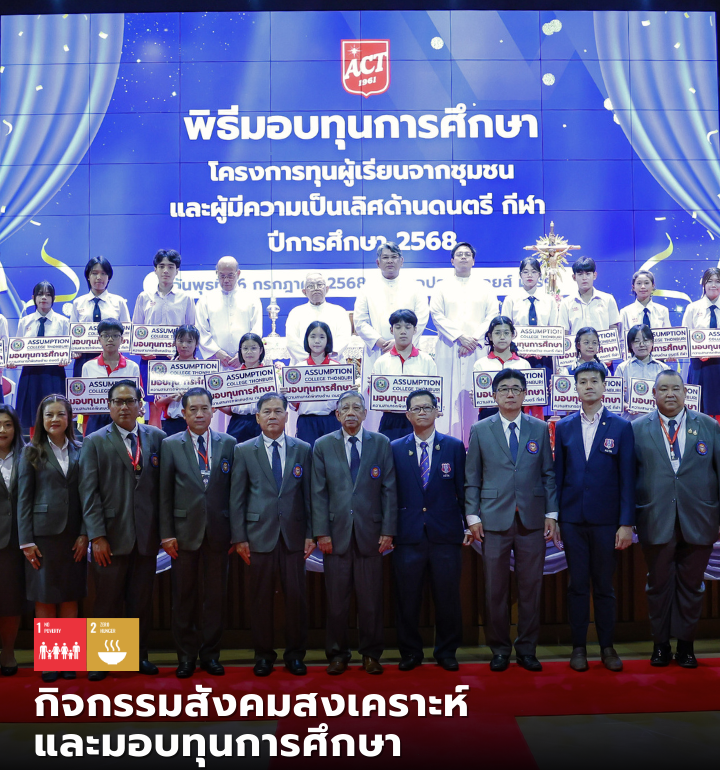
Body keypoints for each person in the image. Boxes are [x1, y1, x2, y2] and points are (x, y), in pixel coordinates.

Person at [465, 369, 558, 672]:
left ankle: (527, 649)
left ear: (525, 394)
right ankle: (500, 649)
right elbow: (472, 477)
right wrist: (472, 516)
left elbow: (548, 474)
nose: (510, 394)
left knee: (531, 588)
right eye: (503, 389)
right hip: (493, 520)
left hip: (532, 519)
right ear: (493, 395)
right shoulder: (480, 429)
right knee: (495, 589)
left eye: (516, 389)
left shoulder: (539, 428)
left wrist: (551, 514)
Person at [79, 380, 166, 681]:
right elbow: (88, 493)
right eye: (118, 401)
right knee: (107, 600)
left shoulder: (157, 438)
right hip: (110, 536)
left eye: (130, 401)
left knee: (140, 600)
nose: (125, 406)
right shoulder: (94, 441)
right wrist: (97, 536)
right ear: (109, 406)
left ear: (141, 405)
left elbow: (163, 490)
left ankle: (137, 656)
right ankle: (104, 659)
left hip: (146, 536)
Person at [632, 370, 720, 668]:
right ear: (654, 394)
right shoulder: (637, 428)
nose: (670, 394)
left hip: (700, 519)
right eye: (664, 389)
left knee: (692, 587)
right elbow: (628, 478)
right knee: (658, 586)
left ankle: (686, 646)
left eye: (676, 389)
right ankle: (660, 645)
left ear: (686, 393)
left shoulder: (708, 425)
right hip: (655, 518)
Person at [553, 361, 635, 672]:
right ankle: (578, 648)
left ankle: (607, 647)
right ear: (575, 388)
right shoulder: (564, 426)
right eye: (583, 382)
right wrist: (556, 518)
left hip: (606, 521)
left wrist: (626, 523)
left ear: (604, 386)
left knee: (603, 586)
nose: (588, 386)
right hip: (572, 520)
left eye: (594, 381)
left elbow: (627, 478)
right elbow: (558, 476)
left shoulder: (621, 426)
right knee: (577, 585)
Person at [312, 391, 397, 675]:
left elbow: (389, 489)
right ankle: (338, 654)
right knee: (337, 602)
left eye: (356, 408)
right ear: (337, 415)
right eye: (345, 408)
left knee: (371, 601)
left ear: (364, 414)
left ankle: (371, 654)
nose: (351, 412)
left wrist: (388, 529)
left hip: (371, 534)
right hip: (335, 536)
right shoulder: (323, 445)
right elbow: (318, 492)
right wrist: (321, 532)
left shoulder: (381, 442)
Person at [230, 392, 314, 677]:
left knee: (297, 599)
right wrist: (239, 537)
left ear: (287, 415)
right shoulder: (243, 450)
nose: (273, 416)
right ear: (257, 417)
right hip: (258, 537)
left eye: (278, 411)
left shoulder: (303, 448)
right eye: (267, 411)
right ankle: (263, 656)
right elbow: (237, 498)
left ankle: (295, 655)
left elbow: (310, 496)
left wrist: (311, 534)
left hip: (294, 536)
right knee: (260, 599)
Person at [159, 387, 236, 678]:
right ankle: (186, 657)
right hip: (182, 534)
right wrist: (166, 534)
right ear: (183, 413)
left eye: (205, 408)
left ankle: (211, 655)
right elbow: (164, 493)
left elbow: (236, 493)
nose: (200, 414)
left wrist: (236, 533)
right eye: (193, 409)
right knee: (184, 598)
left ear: (213, 411)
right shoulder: (170, 444)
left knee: (215, 598)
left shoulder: (229, 443)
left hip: (219, 533)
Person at [390, 389, 468, 672]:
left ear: (437, 411)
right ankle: (410, 652)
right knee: (407, 599)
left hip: (445, 535)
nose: (422, 412)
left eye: (427, 407)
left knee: (447, 598)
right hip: (407, 535)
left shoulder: (454, 446)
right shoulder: (395, 447)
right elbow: (390, 494)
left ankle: (446, 652)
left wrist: (468, 522)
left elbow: (463, 489)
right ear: (407, 415)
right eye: (416, 408)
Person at [18, 395, 87, 683]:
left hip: (74, 536)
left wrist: (85, 533)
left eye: (61, 414)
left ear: (70, 418)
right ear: (41, 419)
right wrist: (26, 541)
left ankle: (68, 659)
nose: (55, 419)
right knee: (45, 599)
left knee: (70, 596)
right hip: (42, 537)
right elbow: (23, 499)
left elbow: (88, 496)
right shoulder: (31, 451)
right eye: (49, 415)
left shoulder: (82, 449)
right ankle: (49, 660)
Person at [354, 242, 429, 431]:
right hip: (377, 352)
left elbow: (421, 318)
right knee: (377, 403)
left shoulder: (415, 287)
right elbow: (360, 321)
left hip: (408, 353)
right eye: (385, 257)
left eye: (394, 257)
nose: (390, 261)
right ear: (378, 262)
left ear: (401, 261)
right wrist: (380, 342)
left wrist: (401, 342)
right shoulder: (367, 289)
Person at [430, 242, 499, 444]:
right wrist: (460, 337)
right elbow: (436, 314)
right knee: (448, 395)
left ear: (473, 260)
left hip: (477, 348)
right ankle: (447, 442)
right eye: (459, 254)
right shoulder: (441, 287)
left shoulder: (485, 287)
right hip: (449, 346)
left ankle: (476, 443)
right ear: (452, 260)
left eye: (467, 254)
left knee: (474, 394)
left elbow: (492, 315)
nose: (463, 257)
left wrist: (473, 339)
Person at [132, 249, 196, 428]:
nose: (166, 271)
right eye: (161, 266)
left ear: (177, 270)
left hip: (177, 361)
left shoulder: (186, 298)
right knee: (154, 406)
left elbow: (192, 330)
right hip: (150, 360)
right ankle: (154, 445)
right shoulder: (144, 297)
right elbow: (136, 331)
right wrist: (142, 352)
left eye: (170, 267)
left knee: (179, 404)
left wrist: (184, 355)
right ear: (155, 269)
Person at [14, 282, 71, 434]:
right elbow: (17, 348)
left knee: (55, 411)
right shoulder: (25, 321)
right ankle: (35, 446)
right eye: (40, 294)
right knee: (33, 415)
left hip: (53, 374)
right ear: (34, 298)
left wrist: (66, 358)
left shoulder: (63, 322)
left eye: (48, 295)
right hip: (31, 374)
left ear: (53, 298)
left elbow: (69, 350)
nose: (44, 298)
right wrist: (13, 359)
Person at [372, 309, 437, 441]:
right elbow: (375, 398)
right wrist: (373, 388)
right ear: (391, 330)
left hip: (419, 419)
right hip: (390, 421)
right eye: (398, 327)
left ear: (415, 330)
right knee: (389, 453)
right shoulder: (381, 362)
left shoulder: (427, 361)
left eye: (408, 327)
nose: (403, 331)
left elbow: (434, 393)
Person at [195, 256, 262, 371]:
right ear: (217, 274)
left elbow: (256, 329)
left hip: (245, 362)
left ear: (238, 273)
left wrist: (242, 354)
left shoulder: (252, 298)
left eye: (230, 275)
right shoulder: (205, 299)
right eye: (222, 276)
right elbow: (201, 329)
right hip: (216, 362)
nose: (226, 280)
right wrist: (216, 352)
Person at [70, 256, 131, 377]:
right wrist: (74, 350)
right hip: (84, 358)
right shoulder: (78, 303)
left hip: (112, 358)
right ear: (88, 276)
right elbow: (72, 335)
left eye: (103, 273)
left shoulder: (118, 302)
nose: (99, 277)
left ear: (109, 277)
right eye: (94, 273)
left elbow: (127, 332)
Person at [502, 256, 558, 385]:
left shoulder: (549, 300)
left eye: (533, 271)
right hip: (517, 357)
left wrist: (544, 349)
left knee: (543, 392)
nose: (529, 275)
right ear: (520, 275)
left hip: (544, 358)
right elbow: (505, 330)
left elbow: (554, 329)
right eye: (525, 272)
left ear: (539, 275)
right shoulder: (511, 299)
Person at [81, 319, 141, 435]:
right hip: (96, 419)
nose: (110, 339)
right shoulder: (88, 366)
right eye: (106, 335)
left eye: (115, 336)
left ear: (122, 339)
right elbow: (83, 398)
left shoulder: (132, 366)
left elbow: (137, 396)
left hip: (124, 415)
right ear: (99, 339)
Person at [0, 406, 25, 677]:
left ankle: (8, 652)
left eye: (7, 424)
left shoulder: (28, 456)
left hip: (17, 540)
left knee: (10, 600)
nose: (2, 430)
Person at [293, 321, 342, 448]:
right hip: (306, 422)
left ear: (328, 340)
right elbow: (294, 405)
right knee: (307, 456)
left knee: (332, 456)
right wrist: (289, 393)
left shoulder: (337, 367)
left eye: (321, 337)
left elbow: (343, 402)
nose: (317, 341)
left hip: (331, 420)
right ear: (307, 339)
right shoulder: (298, 368)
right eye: (313, 336)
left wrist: (349, 392)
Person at [285, 273, 352, 364]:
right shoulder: (295, 313)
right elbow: (292, 341)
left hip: (333, 364)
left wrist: (326, 358)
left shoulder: (339, 311)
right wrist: (310, 359)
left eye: (320, 284)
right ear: (304, 292)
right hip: (303, 365)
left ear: (327, 289)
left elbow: (343, 338)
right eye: (311, 286)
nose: (316, 288)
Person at [473, 316, 531, 420]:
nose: (502, 337)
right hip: (488, 417)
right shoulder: (480, 364)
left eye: (506, 333)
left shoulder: (524, 364)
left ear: (512, 335)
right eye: (497, 333)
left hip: (517, 415)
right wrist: (474, 396)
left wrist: (537, 392)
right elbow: (478, 396)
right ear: (490, 336)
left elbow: (528, 396)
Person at [683, 267, 720, 418]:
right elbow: (684, 339)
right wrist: (697, 352)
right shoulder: (692, 308)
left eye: (718, 281)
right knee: (700, 411)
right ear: (703, 284)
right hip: (700, 367)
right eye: (709, 281)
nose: (713, 285)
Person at [220, 333, 268, 444]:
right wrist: (217, 402)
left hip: (262, 422)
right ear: (240, 351)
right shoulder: (233, 376)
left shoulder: (269, 374)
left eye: (253, 348)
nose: (249, 352)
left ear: (261, 350)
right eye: (245, 348)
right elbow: (230, 410)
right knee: (235, 453)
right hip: (238, 423)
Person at [615, 325, 668, 419]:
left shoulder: (663, 369)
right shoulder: (622, 368)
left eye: (646, 340)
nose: (642, 344)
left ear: (652, 342)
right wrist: (626, 406)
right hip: (630, 422)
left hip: (656, 422)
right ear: (630, 345)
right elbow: (615, 398)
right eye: (636, 341)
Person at [156, 325, 201, 437]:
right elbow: (158, 403)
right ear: (174, 343)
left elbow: (212, 401)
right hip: (173, 424)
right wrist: (171, 398)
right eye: (180, 341)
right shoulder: (165, 369)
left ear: (196, 344)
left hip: (198, 422)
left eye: (189, 341)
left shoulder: (204, 369)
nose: (184, 345)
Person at [558, 257, 621, 337]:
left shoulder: (608, 299)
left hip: (603, 344)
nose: (584, 278)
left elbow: (614, 327)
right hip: (577, 345)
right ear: (574, 277)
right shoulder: (566, 303)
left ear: (594, 275)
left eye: (588, 274)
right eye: (580, 274)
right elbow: (564, 332)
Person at [619, 269, 670, 349]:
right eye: (639, 283)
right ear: (633, 287)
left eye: (646, 283)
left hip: (659, 355)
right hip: (634, 356)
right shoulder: (625, 312)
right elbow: (622, 340)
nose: (643, 287)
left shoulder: (663, 311)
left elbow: (668, 337)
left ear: (653, 286)